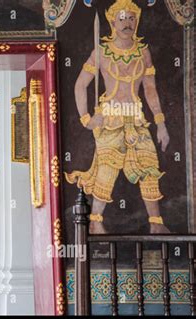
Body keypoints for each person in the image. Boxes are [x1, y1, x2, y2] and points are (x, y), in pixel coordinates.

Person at [65, 0, 171, 234]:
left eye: (131, 17)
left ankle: (156, 223)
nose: (127, 22)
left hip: (136, 117)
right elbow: (80, 85)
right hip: (109, 117)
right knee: (108, 166)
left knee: (148, 164)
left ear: (137, 21)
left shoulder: (143, 52)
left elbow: (150, 90)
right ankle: (95, 220)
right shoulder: (101, 51)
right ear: (113, 22)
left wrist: (161, 123)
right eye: (122, 18)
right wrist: (86, 119)